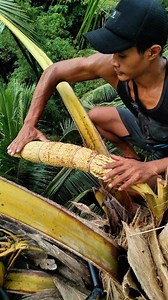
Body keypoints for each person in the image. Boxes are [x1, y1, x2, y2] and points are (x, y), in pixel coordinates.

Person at [7, 0, 168, 191]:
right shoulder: (112, 66)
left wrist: (151, 168)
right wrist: (29, 124)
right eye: (113, 53)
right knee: (97, 116)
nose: (114, 61)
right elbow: (54, 71)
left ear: (152, 52)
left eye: (122, 55)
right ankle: (133, 158)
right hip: (150, 135)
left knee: (129, 187)